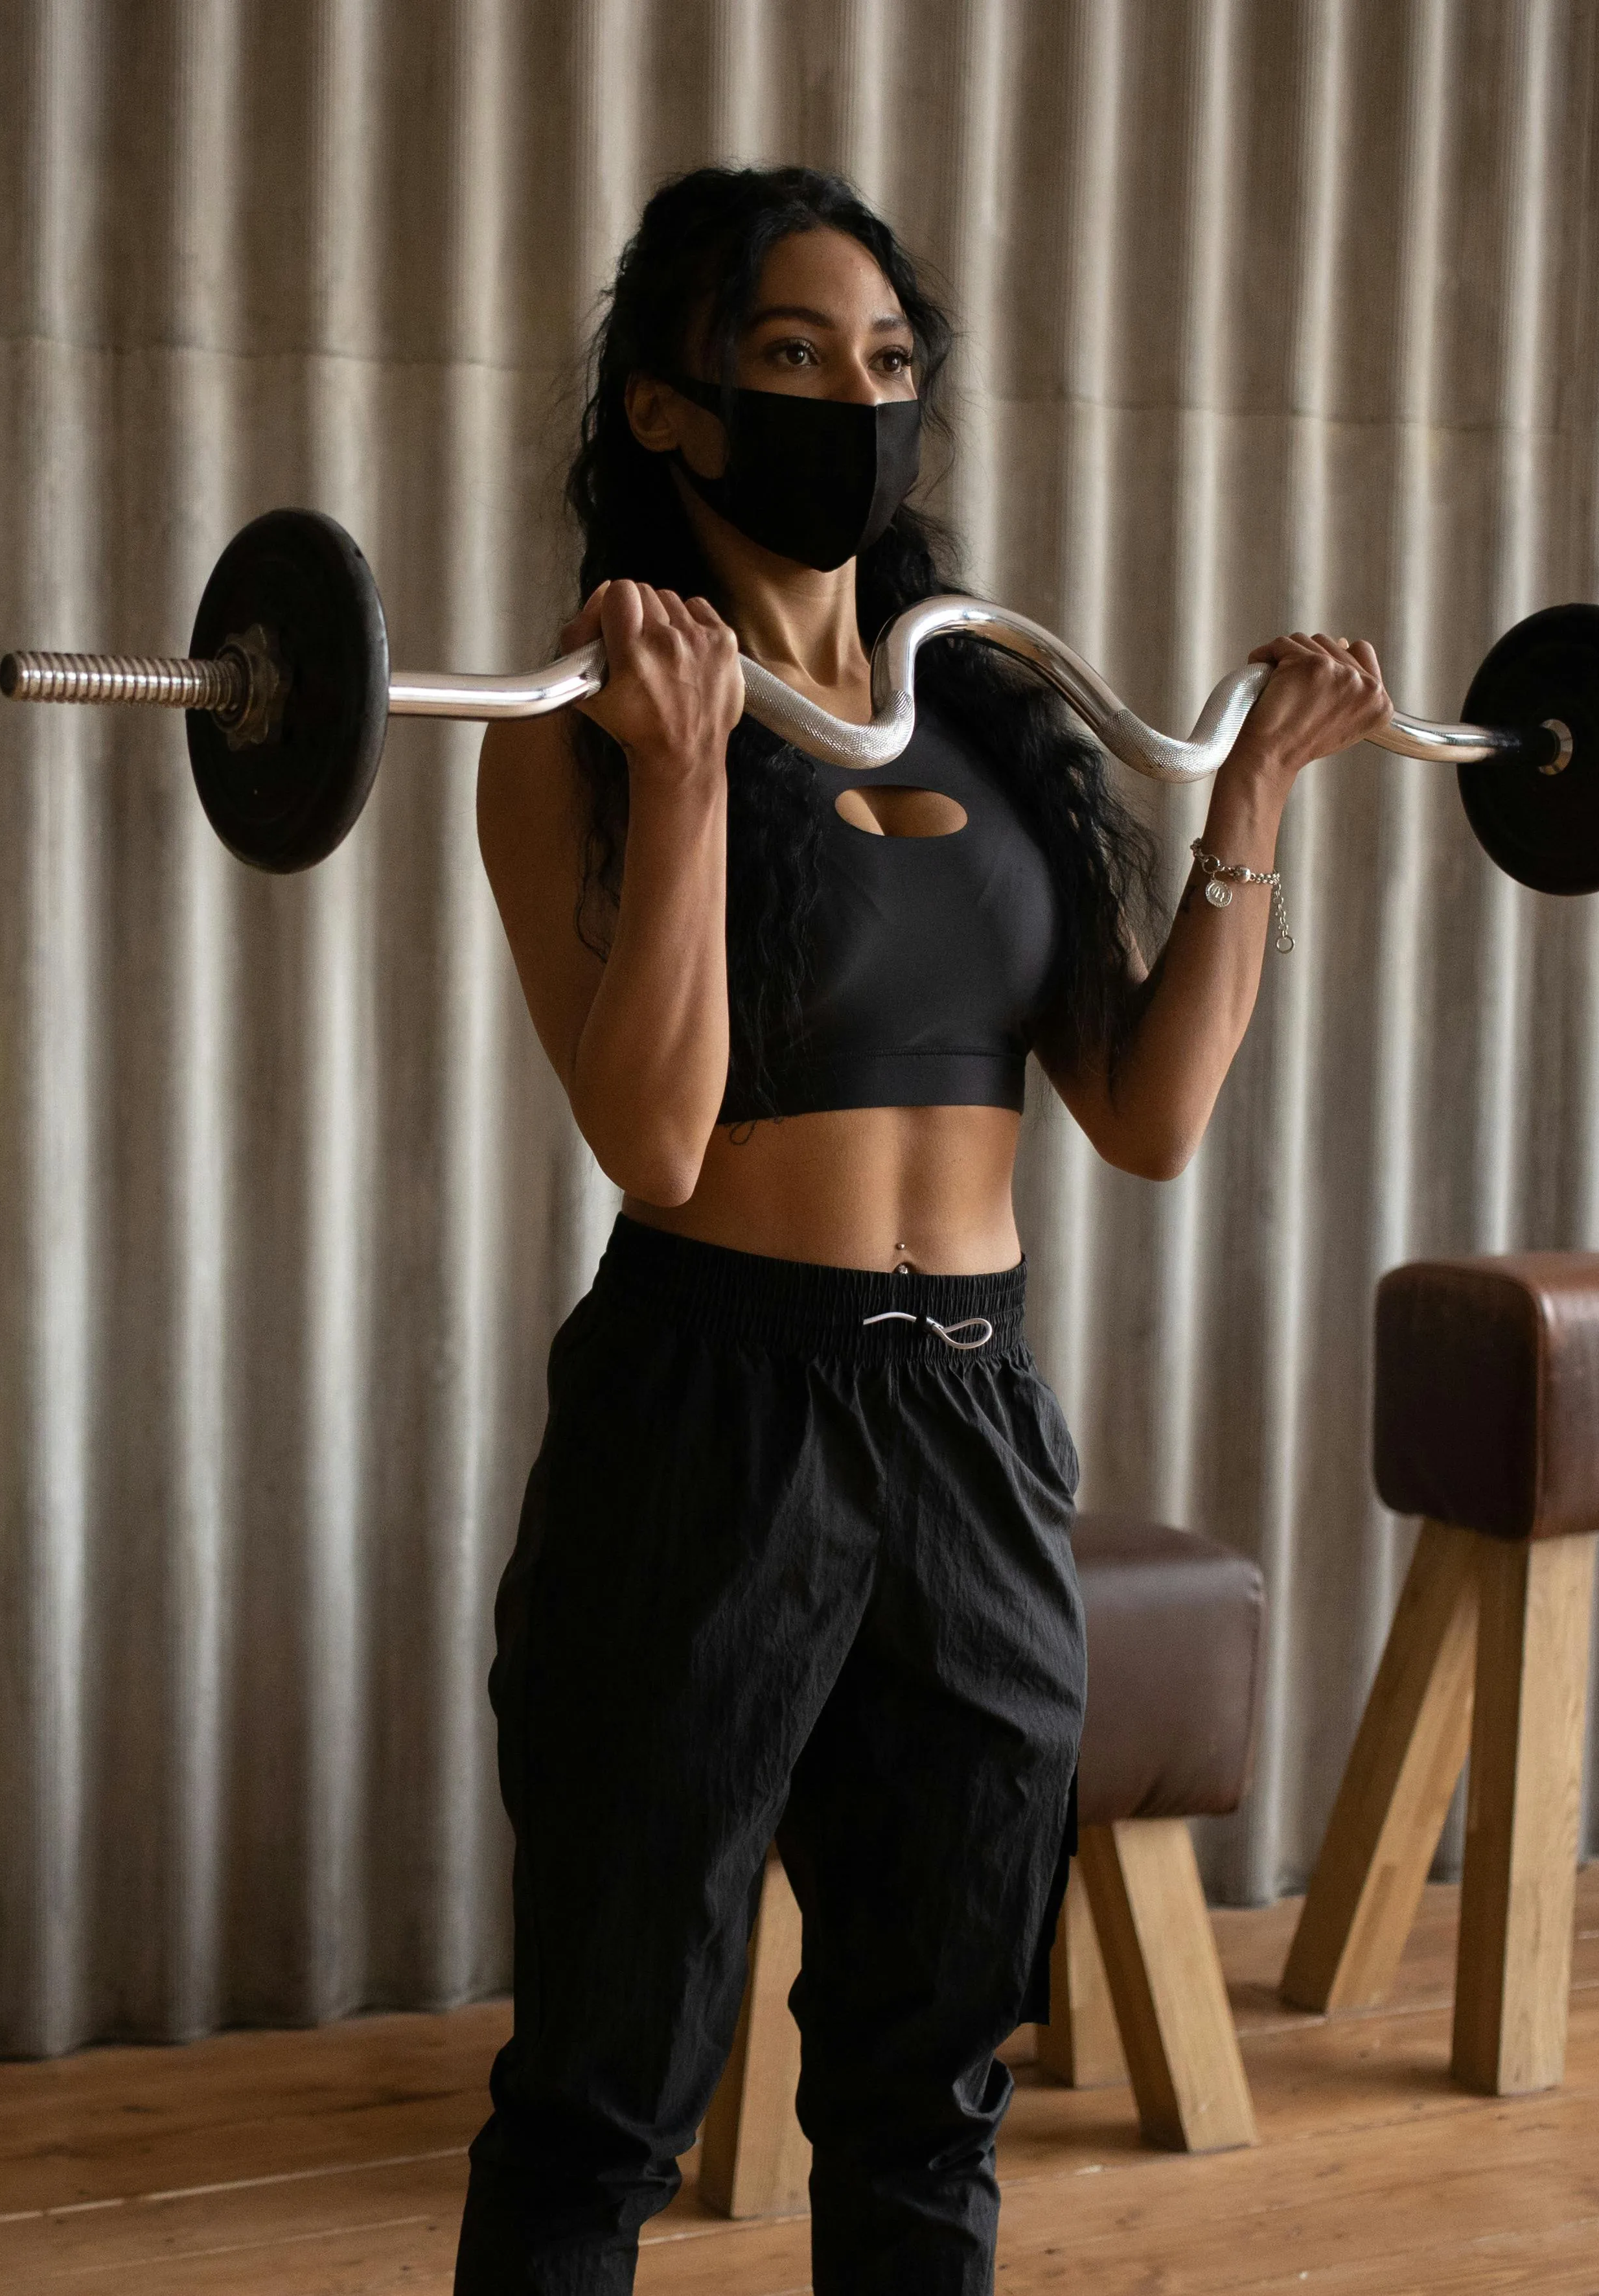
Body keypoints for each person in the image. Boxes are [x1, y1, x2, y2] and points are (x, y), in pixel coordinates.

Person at [459, 165, 1390, 2296]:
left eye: (890, 365)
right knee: (605, 2088)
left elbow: (1149, 1115)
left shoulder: (979, 707)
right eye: (793, 359)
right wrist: (687, 781)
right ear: (668, 412)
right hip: (714, 1417)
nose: (855, 407)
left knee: (929, 2087)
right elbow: (658, 1141)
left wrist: (1247, 809)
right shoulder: (572, 738)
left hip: (973, 1426)